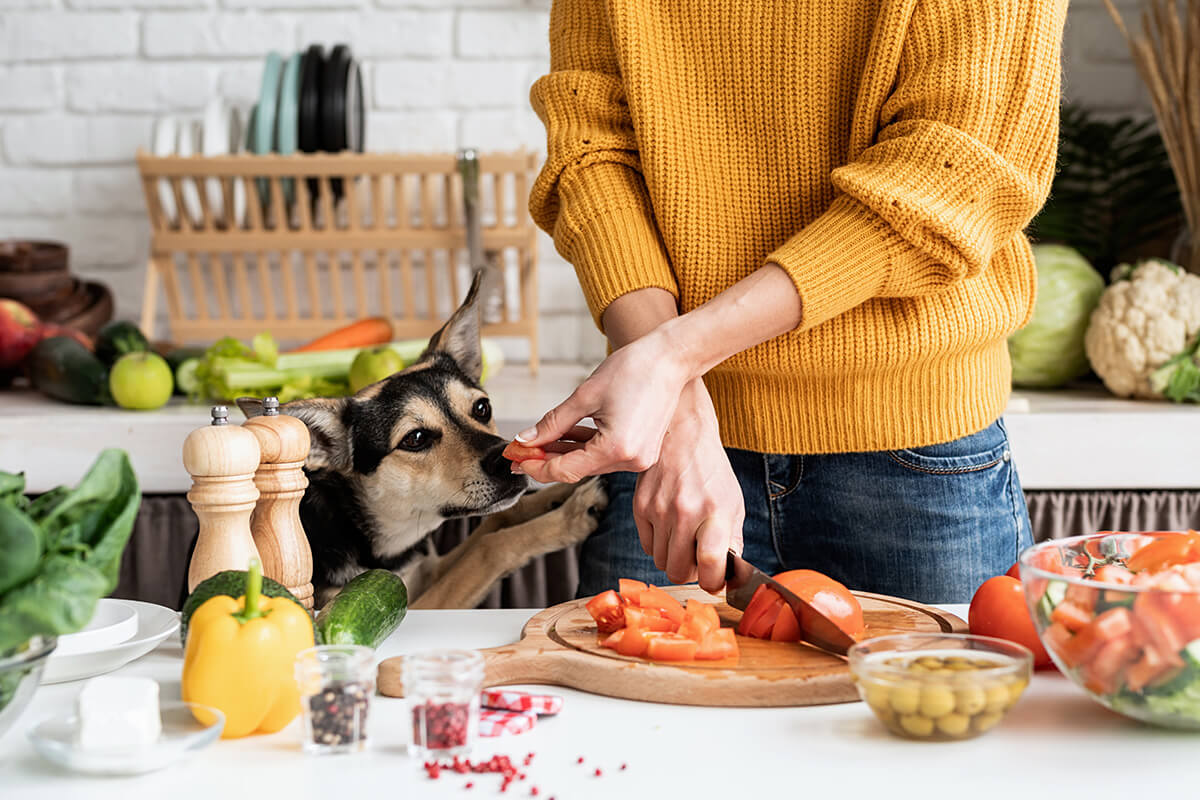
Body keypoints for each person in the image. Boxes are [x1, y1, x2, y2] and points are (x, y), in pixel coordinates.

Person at [516, 0, 1066, 604]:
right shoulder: (672, 414)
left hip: (913, 455)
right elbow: (590, 150)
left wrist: (671, 363)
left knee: (930, 700)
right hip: (667, 446)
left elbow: (950, 173)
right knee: (629, 696)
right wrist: (677, 409)